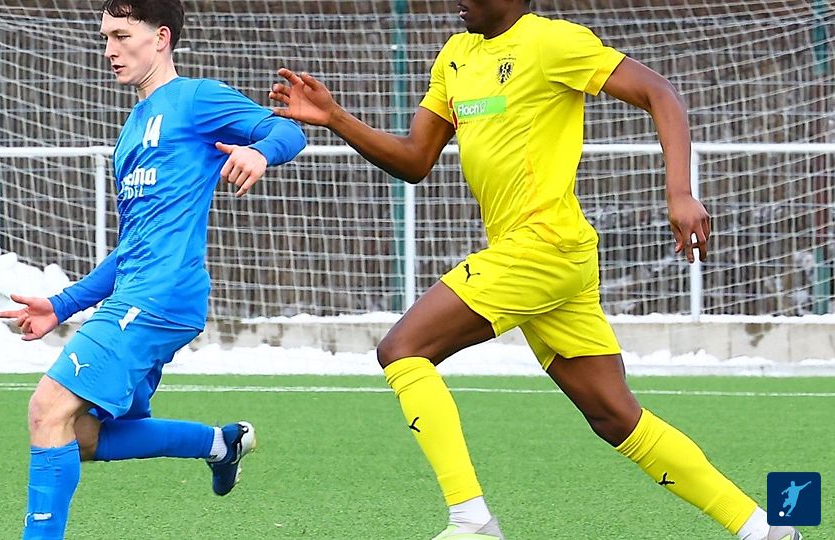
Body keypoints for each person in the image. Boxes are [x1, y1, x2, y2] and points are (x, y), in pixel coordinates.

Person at [268, 1, 800, 540]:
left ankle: (472, 521)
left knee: (403, 350)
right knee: (616, 418)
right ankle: (765, 529)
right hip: (547, 258)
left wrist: (680, 192)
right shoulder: (455, 55)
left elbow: (659, 93)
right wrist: (336, 118)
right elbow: (414, 159)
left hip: (542, 247)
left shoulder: (553, 42)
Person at [0, 1, 306, 538]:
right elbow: (132, 247)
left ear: (160, 37)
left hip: (160, 295)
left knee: (47, 409)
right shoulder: (130, 133)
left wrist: (260, 153)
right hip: (143, 292)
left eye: (122, 35)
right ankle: (220, 444)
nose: (110, 50)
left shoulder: (194, 98)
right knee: (81, 435)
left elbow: (289, 132)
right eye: (105, 37)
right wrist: (61, 306)